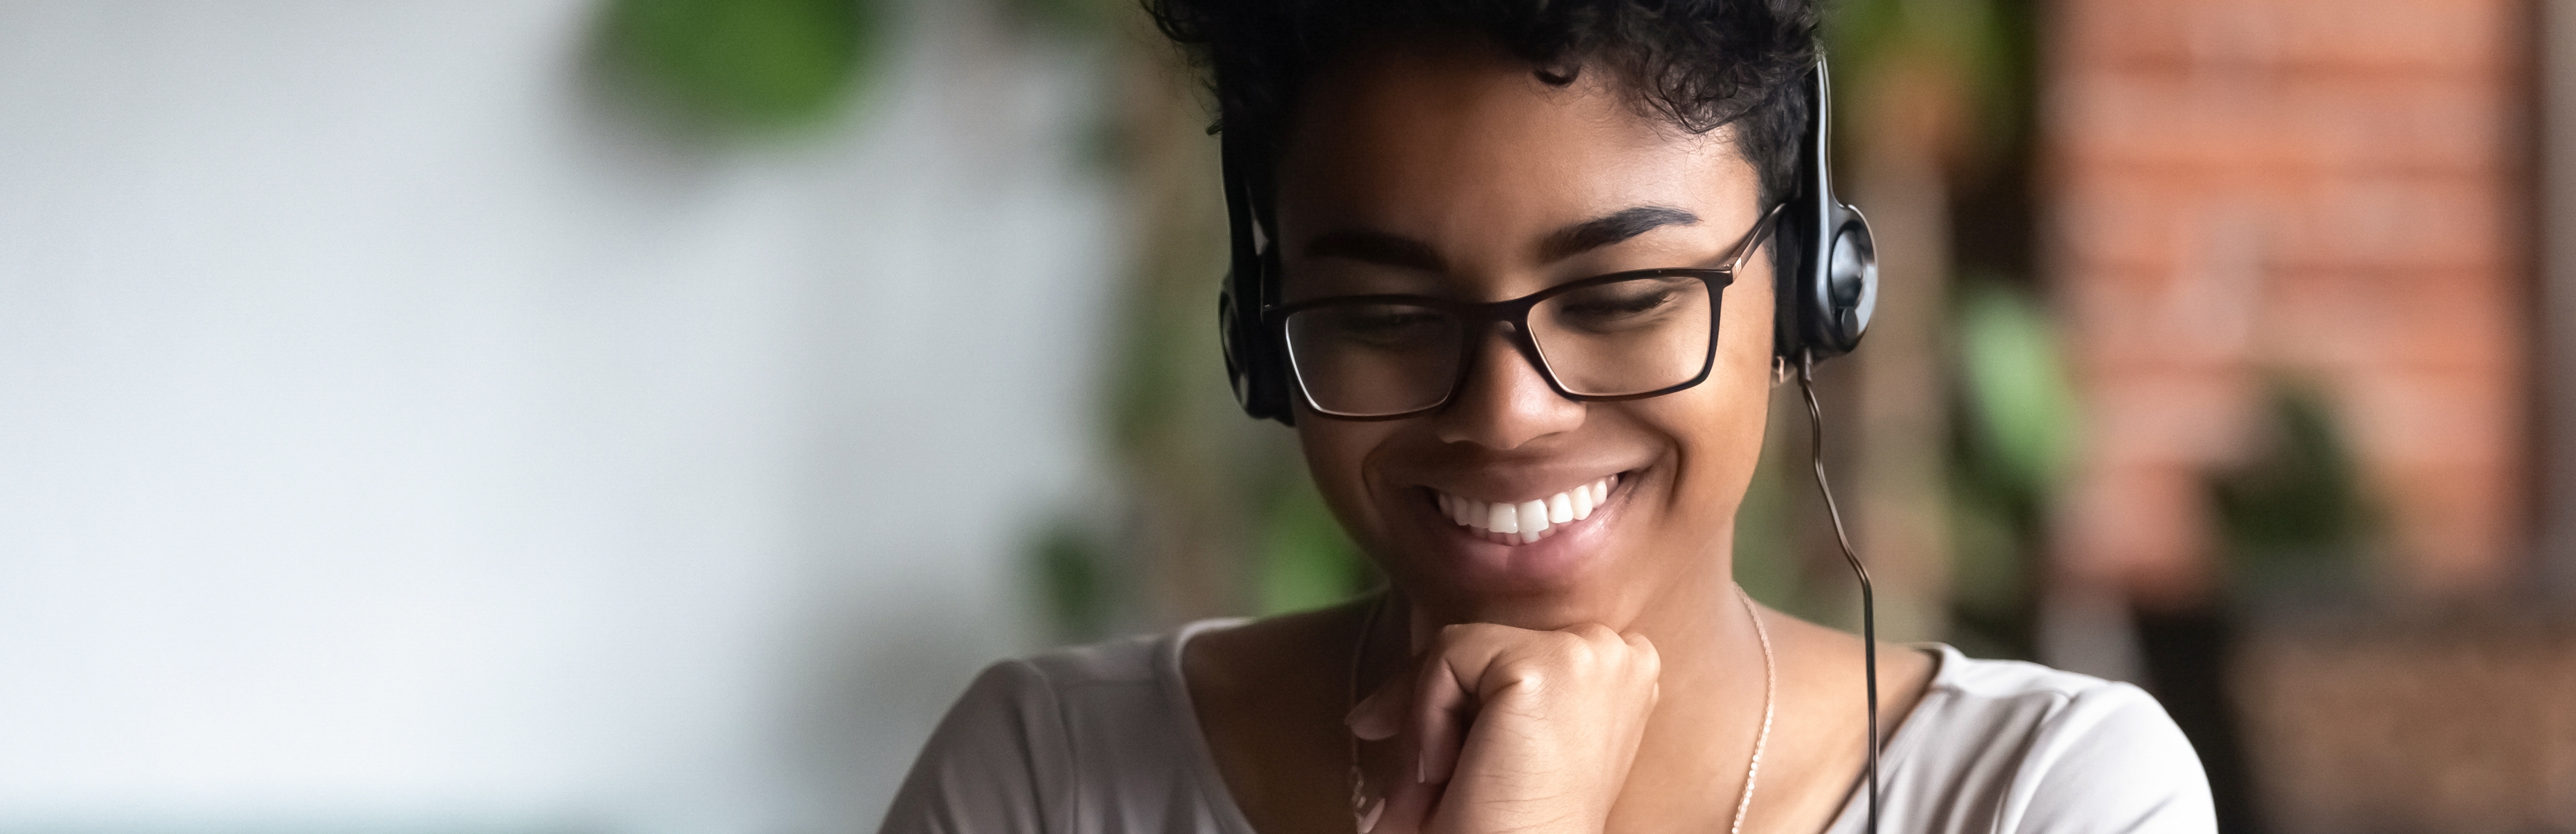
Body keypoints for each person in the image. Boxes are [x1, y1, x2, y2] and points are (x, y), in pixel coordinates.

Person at [877, 0, 2214, 831]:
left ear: (1807, 284)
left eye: (1624, 295)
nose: (1507, 413)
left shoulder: (2048, 796)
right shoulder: (1047, 779)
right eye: (1390, 318)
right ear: (1263, 340)